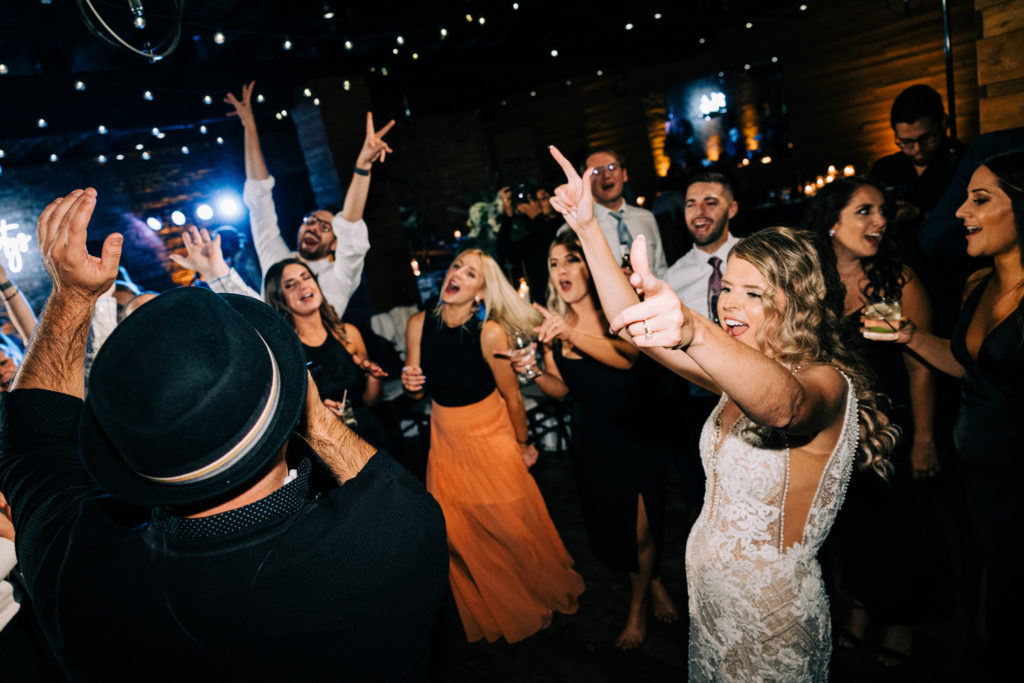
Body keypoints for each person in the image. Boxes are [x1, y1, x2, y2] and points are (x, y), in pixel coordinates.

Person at [0, 188, 448, 680]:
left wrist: (70, 296)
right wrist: (314, 418)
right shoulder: (398, 532)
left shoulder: (79, 584)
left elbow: (33, 435)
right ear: (288, 402)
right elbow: (384, 485)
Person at [548, 146, 897, 679]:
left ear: (796, 303)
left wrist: (693, 329)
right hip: (712, 609)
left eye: (752, 293)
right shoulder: (736, 371)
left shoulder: (827, 381)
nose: (729, 304)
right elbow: (631, 326)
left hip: (770, 620)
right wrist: (589, 227)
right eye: (727, 288)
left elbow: (783, 407)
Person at [402, 248, 584, 644]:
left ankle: (537, 590)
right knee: (458, 531)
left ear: (481, 291)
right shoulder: (418, 324)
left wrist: (524, 443)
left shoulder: (490, 332)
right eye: (456, 268)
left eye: (471, 274)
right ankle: (497, 603)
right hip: (446, 438)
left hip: (491, 433)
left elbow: (512, 395)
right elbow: (416, 389)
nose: (457, 276)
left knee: (510, 525)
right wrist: (410, 385)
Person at [510, 231, 677, 649]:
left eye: (570, 260)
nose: (561, 270)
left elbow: (627, 357)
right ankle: (650, 577)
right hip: (592, 443)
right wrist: (530, 370)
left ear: (589, 266)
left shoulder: (615, 312)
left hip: (635, 432)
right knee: (616, 529)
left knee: (641, 529)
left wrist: (569, 333)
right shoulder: (551, 322)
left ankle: (638, 606)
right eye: (553, 263)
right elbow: (562, 390)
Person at [893, 151, 1024, 669]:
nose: (961, 212)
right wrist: (910, 336)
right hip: (974, 485)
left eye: (981, 199)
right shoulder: (976, 282)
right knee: (983, 612)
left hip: (1019, 485)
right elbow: (970, 364)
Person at [805, 176, 941, 667]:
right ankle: (861, 609)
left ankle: (901, 622)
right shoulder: (813, 288)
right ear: (832, 221)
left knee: (899, 526)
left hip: (892, 427)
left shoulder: (893, 282)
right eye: (865, 211)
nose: (880, 221)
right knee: (850, 526)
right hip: (835, 432)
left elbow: (918, 369)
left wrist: (924, 438)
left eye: (883, 210)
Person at [225, 81, 394, 317]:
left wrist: (362, 167)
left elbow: (351, 227)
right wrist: (249, 124)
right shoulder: (277, 261)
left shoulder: (339, 278)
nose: (313, 227)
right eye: (311, 220)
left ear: (336, 243)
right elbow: (259, 199)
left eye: (325, 227)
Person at [663, 170, 742, 508]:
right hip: (697, 400)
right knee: (704, 492)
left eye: (711, 202)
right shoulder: (673, 276)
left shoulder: (757, 258)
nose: (699, 212)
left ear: (732, 208)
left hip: (751, 390)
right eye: (691, 204)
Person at [264, 258, 392, 450]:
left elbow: (371, 401)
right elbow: (286, 422)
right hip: (331, 449)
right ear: (279, 299)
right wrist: (317, 415)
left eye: (306, 277)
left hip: (371, 436)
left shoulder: (348, 334)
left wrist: (373, 378)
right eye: (290, 285)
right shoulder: (285, 353)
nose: (302, 286)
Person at [563, 147, 668, 277]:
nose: (606, 175)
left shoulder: (647, 218)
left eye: (612, 167)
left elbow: (661, 270)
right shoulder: (576, 229)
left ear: (624, 174)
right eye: (596, 171)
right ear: (586, 182)